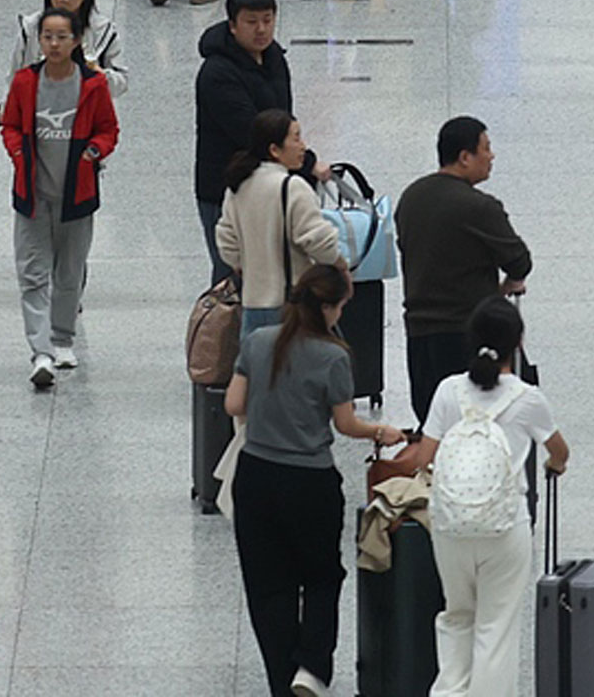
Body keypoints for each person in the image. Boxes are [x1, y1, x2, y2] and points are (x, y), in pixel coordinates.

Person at [224, 265, 410, 697]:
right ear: (327, 306)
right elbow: (345, 424)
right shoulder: (333, 356)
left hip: (255, 477)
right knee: (322, 576)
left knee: (268, 585)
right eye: (342, 305)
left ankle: (279, 679)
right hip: (309, 482)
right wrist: (381, 431)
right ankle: (310, 668)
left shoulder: (257, 342)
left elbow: (234, 403)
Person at [423, 295, 565, 697]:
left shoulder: (449, 391)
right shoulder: (528, 398)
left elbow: (423, 456)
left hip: (450, 526)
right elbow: (560, 451)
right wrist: (555, 465)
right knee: (496, 626)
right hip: (505, 526)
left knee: (457, 617)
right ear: (518, 343)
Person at [0, 1, 119, 389]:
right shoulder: (24, 82)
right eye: (47, 37)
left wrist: (92, 153)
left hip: (77, 195)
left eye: (61, 37)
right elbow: (10, 125)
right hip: (32, 194)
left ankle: (63, 338)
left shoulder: (93, 84)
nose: (53, 44)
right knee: (33, 274)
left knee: (69, 272)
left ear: (77, 40)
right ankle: (41, 351)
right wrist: (18, 154)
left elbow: (108, 130)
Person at [394, 116, 535, 423]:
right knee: (473, 427)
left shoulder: (410, 198)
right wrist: (508, 283)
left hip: (419, 332)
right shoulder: (479, 207)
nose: (492, 155)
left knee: (432, 424)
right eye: (486, 148)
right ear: (464, 156)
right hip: (466, 334)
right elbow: (519, 261)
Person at [192, 0, 295, 279]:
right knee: (231, 277)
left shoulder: (274, 57)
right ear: (233, 26)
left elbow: (284, 119)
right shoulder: (216, 73)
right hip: (225, 189)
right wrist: (307, 162)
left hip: (269, 184)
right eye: (251, 22)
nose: (261, 29)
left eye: (267, 19)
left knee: (267, 275)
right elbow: (253, 132)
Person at [221, 104, 344, 336]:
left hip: (252, 306)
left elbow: (226, 242)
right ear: (275, 150)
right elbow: (320, 243)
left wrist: (248, 265)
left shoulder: (238, 187)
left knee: (257, 368)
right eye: (296, 138)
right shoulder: (292, 187)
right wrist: (340, 264)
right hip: (292, 307)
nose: (303, 146)